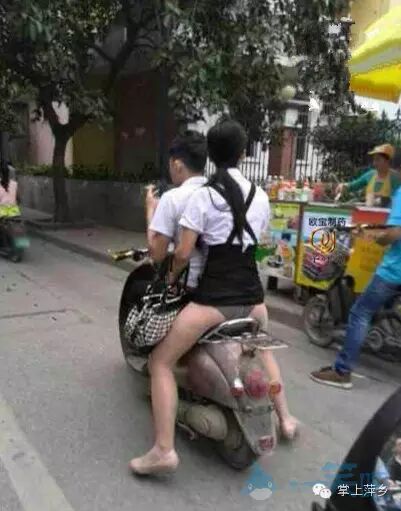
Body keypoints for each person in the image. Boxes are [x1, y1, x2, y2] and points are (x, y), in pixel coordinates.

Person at [129, 118, 298, 475]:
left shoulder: (203, 197)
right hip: (254, 301)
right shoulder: (260, 196)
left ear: (211, 154)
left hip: (214, 304)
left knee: (160, 362)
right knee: (261, 349)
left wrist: (171, 277)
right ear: (242, 153)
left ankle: (163, 450)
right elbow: (256, 244)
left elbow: (182, 253)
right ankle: (285, 418)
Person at [310, 185, 401, 389]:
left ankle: (342, 372)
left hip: (395, 270)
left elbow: (395, 232)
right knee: (383, 309)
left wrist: (379, 239)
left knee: (360, 312)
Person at [146, 130, 208, 287]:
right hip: (215, 283)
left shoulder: (172, 198)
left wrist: (150, 209)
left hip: (186, 284)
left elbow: (157, 254)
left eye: (170, 165)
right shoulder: (216, 193)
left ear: (177, 165)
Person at [336, 144, 401, 207]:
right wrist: (344, 186)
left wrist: (382, 201)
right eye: (374, 159)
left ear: (387, 161)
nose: (374, 163)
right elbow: (354, 185)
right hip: (368, 212)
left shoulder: (395, 178)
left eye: (378, 160)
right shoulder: (370, 174)